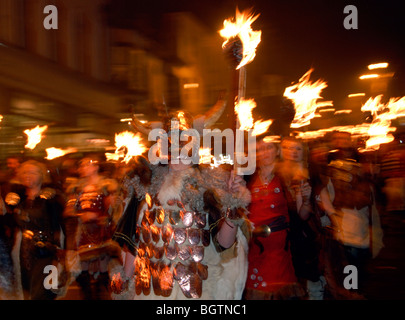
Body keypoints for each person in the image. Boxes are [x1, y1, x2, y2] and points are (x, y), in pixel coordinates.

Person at [110, 110, 251, 300]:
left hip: (196, 291)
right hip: (152, 290)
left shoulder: (210, 184)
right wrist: (126, 284)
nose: (175, 143)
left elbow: (224, 244)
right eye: (169, 137)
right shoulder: (144, 184)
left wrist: (234, 205)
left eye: (182, 137)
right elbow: (132, 243)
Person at [318, 131, 383, 299]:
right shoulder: (329, 163)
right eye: (338, 138)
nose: (342, 141)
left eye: (346, 138)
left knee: (359, 258)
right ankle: (351, 291)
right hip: (343, 218)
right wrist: (332, 215)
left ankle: (356, 288)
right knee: (348, 260)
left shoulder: (361, 160)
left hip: (361, 218)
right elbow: (325, 192)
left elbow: (372, 190)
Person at [243, 136, 305, 300]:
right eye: (258, 150)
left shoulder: (288, 176)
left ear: (277, 150)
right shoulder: (248, 177)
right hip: (254, 247)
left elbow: (302, 214)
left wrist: (305, 199)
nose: (263, 153)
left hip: (280, 247)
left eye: (268, 148)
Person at [4, 160, 65, 300]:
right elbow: (10, 224)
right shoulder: (17, 199)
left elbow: (59, 226)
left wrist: (60, 253)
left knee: (43, 292)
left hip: (46, 251)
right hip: (24, 252)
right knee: (28, 290)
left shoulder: (50, 198)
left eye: (32, 172)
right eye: (25, 172)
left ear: (42, 175)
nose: (28, 175)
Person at [63, 156, 121, 300]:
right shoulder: (77, 188)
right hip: (83, 232)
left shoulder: (108, 186)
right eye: (81, 165)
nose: (82, 168)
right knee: (82, 272)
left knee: (103, 270)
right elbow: (69, 210)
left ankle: (105, 295)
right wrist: (81, 214)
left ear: (95, 167)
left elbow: (115, 209)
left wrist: (102, 217)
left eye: (86, 165)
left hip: (102, 231)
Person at [278, 136, 325, 300]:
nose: (292, 152)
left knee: (310, 271)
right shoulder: (277, 172)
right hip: (284, 229)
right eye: (288, 148)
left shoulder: (310, 173)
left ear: (303, 152)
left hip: (305, 229)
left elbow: (308, 209)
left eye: (297, 148)